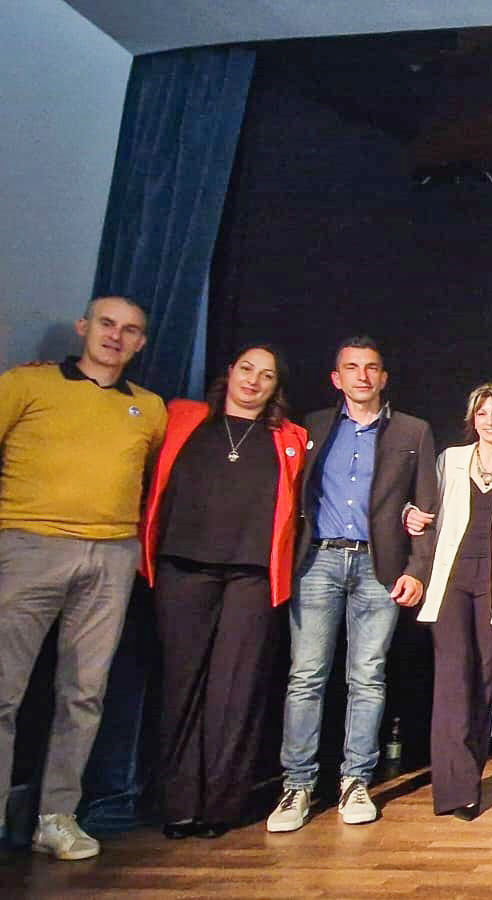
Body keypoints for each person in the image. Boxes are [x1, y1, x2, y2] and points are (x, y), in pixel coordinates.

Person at [0, 296, 166, 860]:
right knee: (4, 690)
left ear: (141, 343)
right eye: (107, 324)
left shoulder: (149, 407)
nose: (116, 336)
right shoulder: (26, 385)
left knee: (84, 693)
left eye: (130, 330)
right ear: (83, 327)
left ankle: (56, 817)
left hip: (112, 555)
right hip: (29, 546)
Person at [267, 336, 438, 833]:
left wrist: (417, 570)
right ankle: (297, 785)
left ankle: (355, 780)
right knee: (306, 676)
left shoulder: (413, 430)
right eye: (352, 367)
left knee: (367, 677)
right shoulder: (313, 426)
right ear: (335, 378)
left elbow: (427, 508)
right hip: (318, 562)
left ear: (384, 378)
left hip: (378, 568)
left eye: (371, 368)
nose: (362, 376)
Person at [140, 344, 307, 839]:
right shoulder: (180, 417)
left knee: (235, 691)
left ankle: (220, 806)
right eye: (247, 369)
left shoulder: (290, 438)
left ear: (276, 388)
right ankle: (178, 805)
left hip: (251, 577)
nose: (254, 381)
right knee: (180, 685)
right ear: (229, 372)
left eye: (266, 375)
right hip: (182, 567)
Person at [407, 383, 492, 821]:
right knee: (453, 677)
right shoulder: (450, 460)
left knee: (483, 677)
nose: (490, 421)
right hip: (452, 579)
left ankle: (469, 778)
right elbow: (421, 506)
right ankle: (454, 789)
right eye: (482, 413)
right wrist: (408, 513)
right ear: (472, 420)